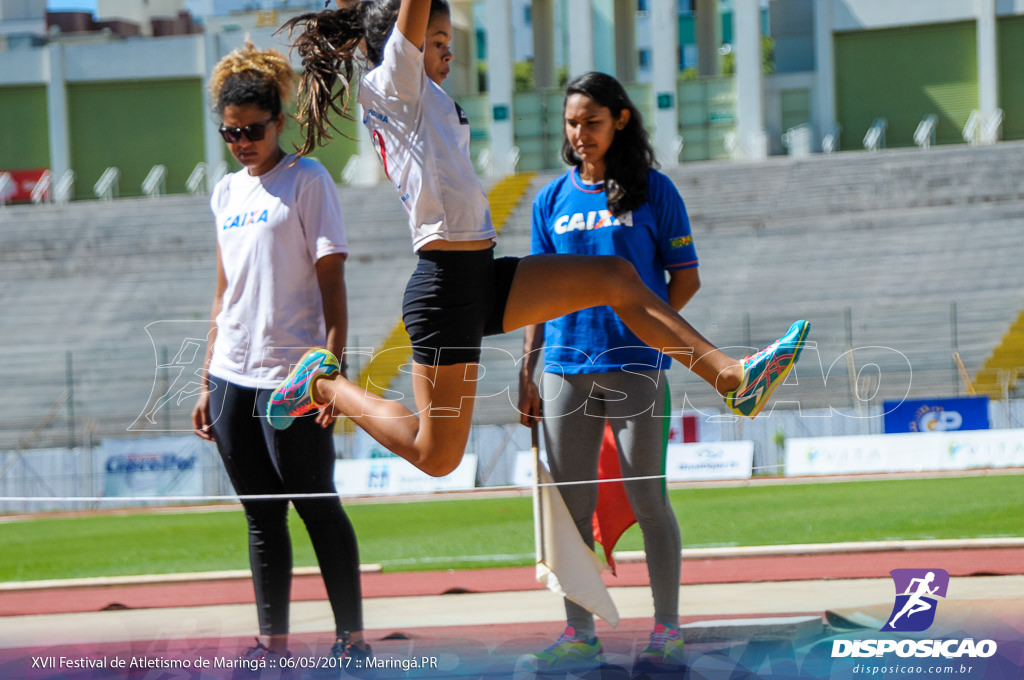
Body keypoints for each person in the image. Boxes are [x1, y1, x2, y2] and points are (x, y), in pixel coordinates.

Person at [270, 0, 810, 482]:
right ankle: (323, 385)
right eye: (437, 43)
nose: (448, 53)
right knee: (437, 458)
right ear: (403, 46)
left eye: (449, 44)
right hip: (444, 287)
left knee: (617, 278)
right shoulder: (395, 84)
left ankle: (733, 379)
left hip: (480, 272)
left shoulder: (420, 96)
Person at [190, 40, 370, 669]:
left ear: (279, 122)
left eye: (253, 130)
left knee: (316, 507)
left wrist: (331, 367)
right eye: (230, 133)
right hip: (231, 375)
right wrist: (205, 381)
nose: (242, 142)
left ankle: (352, 639)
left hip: (294, 377)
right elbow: (223, 291)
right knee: (262, 519)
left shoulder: (308, 180)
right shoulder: (225, 194)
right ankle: (275, 646)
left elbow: (333, 281)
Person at [516, 71, 702, 673]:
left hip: (637, 369)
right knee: (570, 512)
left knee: (650, 498)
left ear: (619, 120)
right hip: (564, 369)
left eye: (591, 122)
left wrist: (653, 329)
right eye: (572, 123)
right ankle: (579, 633)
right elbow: (536, 294)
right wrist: (528, 369)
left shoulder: (654, 191)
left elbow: (686, 277)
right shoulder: (551, 199)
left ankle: (666, 630)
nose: (579, 134)